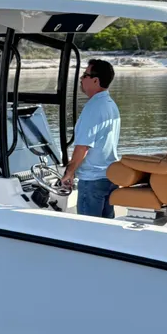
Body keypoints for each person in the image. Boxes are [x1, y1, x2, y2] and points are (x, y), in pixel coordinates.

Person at [61, 58, 120, 218]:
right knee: (107, 228)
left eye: (85, 75)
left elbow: (83, 147)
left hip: (92, 181)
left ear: (95, 80)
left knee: (88, 230)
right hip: (109, 177)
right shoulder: (110, 104)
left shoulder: (93, 108)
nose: (81, 78)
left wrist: (69, 173)